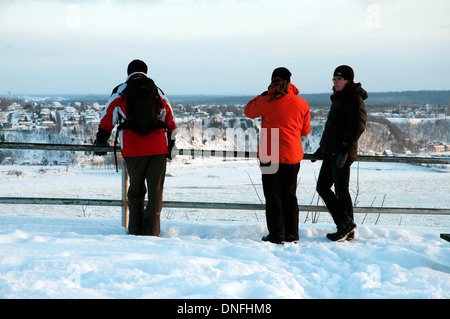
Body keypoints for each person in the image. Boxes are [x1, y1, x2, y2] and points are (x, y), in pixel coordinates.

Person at [94, 59, 176, 236]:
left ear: (128, 72)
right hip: (158, 149)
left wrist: (101, 141)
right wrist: (170, 147)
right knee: (155, 194)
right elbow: (170, 120)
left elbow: (107, 119)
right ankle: (152, 233)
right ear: (146, 72)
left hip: (133, 149)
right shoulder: (156, 90)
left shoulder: (121, 91)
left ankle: (135, 232)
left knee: (136, 192)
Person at [244, 67, 311, 244]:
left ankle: (277, 234)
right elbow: (306, 131)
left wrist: (262, 96)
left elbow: (248, 111)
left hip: (270, 151)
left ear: (273, 80)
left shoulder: (267, 100)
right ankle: (292, 234)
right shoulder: (302, 103)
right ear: (290, 81)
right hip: (292, 152)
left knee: (273, 196)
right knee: (290, 195)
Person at [313, 65, 367, 242]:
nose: (335, 82)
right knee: (322, 187)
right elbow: (332, 128)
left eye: (339, 79)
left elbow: (357, 126)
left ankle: (345, 227)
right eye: (334, 79)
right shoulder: (338, 98)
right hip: (331, 153)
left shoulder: (354, 99)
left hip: (341, 154)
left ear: (348, 81)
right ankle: (346, 225)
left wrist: (344, 149)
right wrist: (322, 148)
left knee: (341, 191)